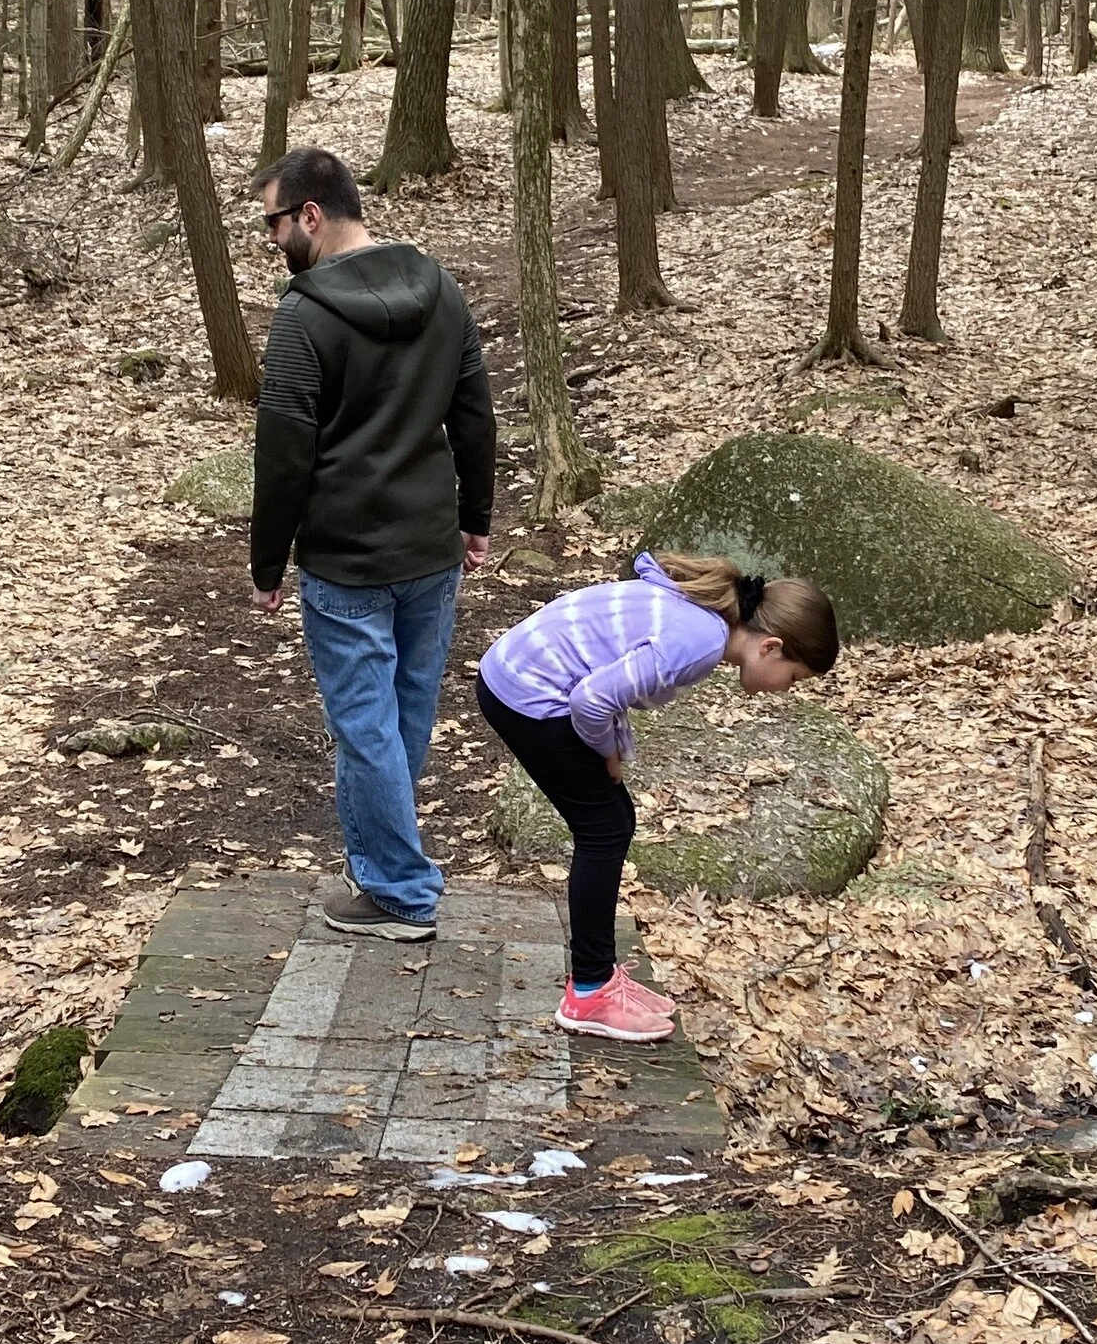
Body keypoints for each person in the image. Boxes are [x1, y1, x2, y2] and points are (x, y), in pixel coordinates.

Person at [249, 146, 495, 941]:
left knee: (367, 725)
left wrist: (266, 564)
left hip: (347, 561)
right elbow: (474, 415)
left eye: (274, 223)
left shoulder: (303, 317)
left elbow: (283, 453)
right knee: (401, 719)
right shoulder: (441, 288)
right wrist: (476, 517)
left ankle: (398, 891)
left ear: (311, 215)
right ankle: (385, 867)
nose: (272, 240)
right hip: (430, 549)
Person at [475, 550, 840, 1041]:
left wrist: (612, 748)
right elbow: (591, 700)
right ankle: (589, 993)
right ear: (771, 647)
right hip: (525, 690)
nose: (785, 690)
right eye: (793, 678)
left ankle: (598, 973)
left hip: (515, 674)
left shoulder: (705, 619)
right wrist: (608, 749)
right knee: (603, 830)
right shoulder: (700, 642)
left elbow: (611, 681)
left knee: (614, 820)